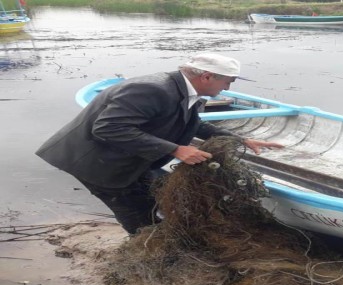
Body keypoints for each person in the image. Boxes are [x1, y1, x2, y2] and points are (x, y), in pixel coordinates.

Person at [36, 53, 283, 235]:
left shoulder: (191, 93)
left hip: (130, 156)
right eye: (227, 81)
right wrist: (176, 150)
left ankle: (151, 233)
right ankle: (143, 249)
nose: (228, 87)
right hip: (97, 162)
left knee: (155, 196)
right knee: (138, 214)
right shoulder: (152, 90)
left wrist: (241, 140)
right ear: (207, 76)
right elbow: (108, 128)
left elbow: (192, 124)